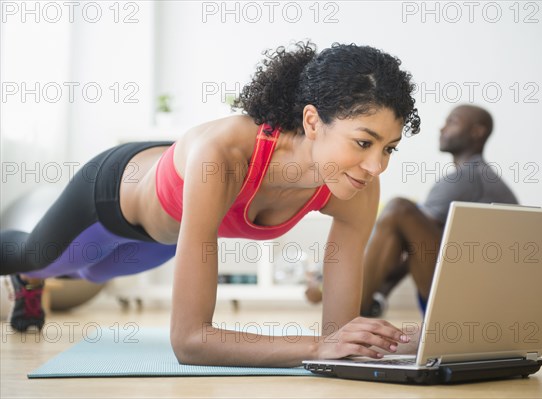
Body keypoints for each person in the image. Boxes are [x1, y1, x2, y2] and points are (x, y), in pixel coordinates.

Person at [0, 41, 421, 367]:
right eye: (364, 142)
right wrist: (316, 346)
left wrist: (409, 342)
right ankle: (30, 278)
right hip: (112, 195)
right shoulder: (224, 156)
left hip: (163, 240)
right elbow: (189, 341)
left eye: (390, 149)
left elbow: (340, 336)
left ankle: (34, 283)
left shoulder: (357, 187)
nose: (376, 165)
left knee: (90, 271)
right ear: (312, 121)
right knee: (35, 258)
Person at [305, 105, 518, 318]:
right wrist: (379, 293)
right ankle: (361, 307)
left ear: (477, 132)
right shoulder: (479, 176)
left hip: (473, 302)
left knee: (399, 209)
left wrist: (330, 286)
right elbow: (412, 248)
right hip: (486, 297)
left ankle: (351, 309)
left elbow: (404, 239)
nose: (442, 128)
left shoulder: (467, 179)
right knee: (402, 215)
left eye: (452, 122)